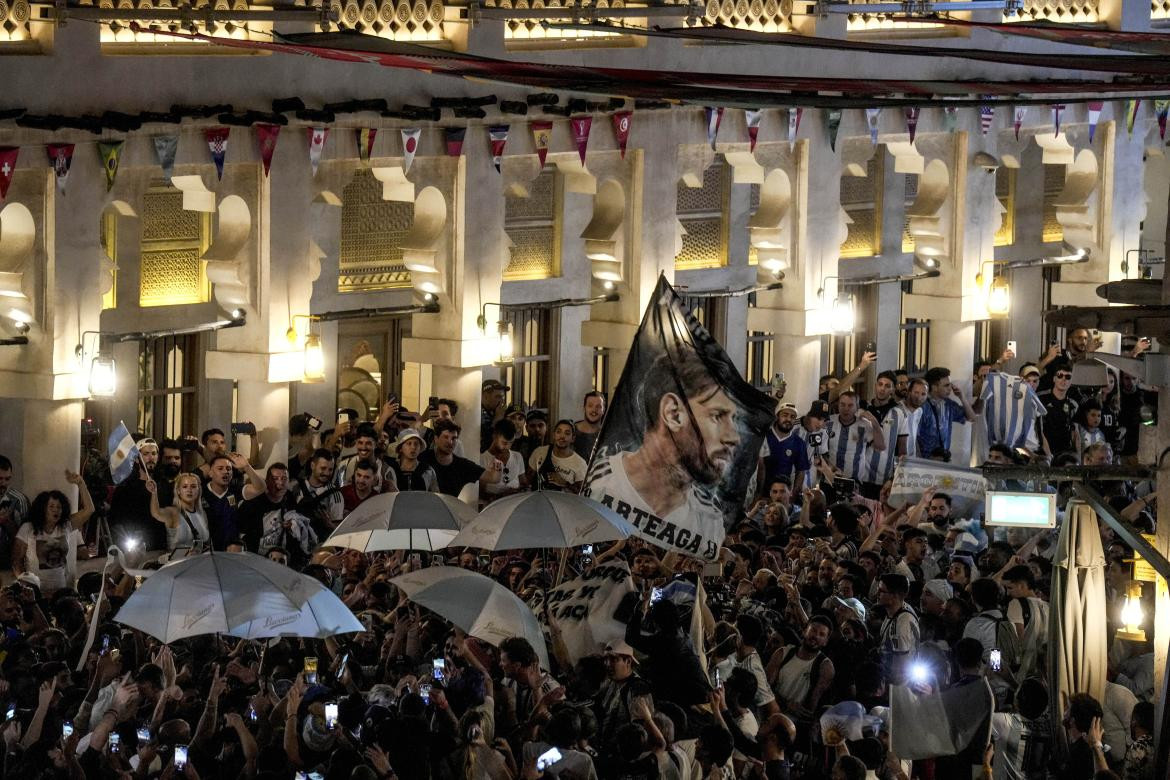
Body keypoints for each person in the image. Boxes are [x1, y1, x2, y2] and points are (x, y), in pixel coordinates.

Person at [583, 351, 738, 562]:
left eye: (733, 419)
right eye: (717, 416)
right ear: (673, 413)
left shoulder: (709, 521)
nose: (733, 437)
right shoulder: (598, 483)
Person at [11, 471, 94, 594]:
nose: (56, 510)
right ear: (42, 508)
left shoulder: (65, 526)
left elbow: (89, 510)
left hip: (61, 589)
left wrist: (80, 483)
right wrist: (26, 586)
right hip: (36, 592)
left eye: (59, 507)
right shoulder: (28, 528)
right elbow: (16, 560)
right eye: (51, 506)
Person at [421, 419, 503, 498]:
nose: (450, 442)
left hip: (450, 509)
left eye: (454, 438)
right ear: (436, 439)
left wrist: (498, 466)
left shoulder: (462, 465)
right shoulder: (423, 459)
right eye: (445, 437)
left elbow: (493, 478)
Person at [144, 468, 210, 556]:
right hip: (177, 565)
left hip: (198, 564)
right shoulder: (173, 512)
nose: (189, 490)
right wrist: (154, 492)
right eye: (185, 486)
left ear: (198, 490)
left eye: (193, 486)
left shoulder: (202, 513)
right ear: (178, 491)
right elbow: (156, 513)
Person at [917, 366, 976, 460]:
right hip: (925, 460)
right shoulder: (922, 406)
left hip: (943, 457)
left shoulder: (948, 404)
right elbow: (915, 436)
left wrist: (962, 397)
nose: (950, 389)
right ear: (934, 387)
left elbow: (971, 418)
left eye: (950, 385)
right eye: (946, 385)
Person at [527, 419, 588, 493]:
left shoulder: (580, 463)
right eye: (559, 432)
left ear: (573, 438)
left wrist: (565, 483)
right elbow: (527, 482)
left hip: (564, 503)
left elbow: (582, 493)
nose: (562, 436)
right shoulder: (540, 452)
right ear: (554, 435)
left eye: (567, 433)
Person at [1037, 360, 1079, 459]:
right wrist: (1048, 455)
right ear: (1054, 379)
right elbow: (1038, 430)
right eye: (1060, 375)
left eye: (1068, 377)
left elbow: (1075, 434)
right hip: (1043, 454)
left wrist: (1078, 458)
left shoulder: (1073, 405)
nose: (1063, 379)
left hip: (1064, 454)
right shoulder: (1041, 399)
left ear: (1071, 382)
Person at [480, 419, 525, 500]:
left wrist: (518, 491)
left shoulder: (517, 456)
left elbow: (524, 484)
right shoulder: (482, 459)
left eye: (511, 443)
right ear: (495, 436)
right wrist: (501, 496)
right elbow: (479, 493)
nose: (507, 447)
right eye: (504, 443)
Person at [574, 391, 607, 461]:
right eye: (590, 405)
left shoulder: (607, 435)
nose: (594, 410)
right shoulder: (571, 431)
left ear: (603, 410)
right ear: (584, 408)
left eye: (598, 406)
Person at [481, 379, 509, 453]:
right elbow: (484, 441)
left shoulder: (495, 411)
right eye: (498, 397)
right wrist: (497, 419)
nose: (502, 401)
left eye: (503, 397)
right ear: (486, 397)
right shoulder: (476, 414)